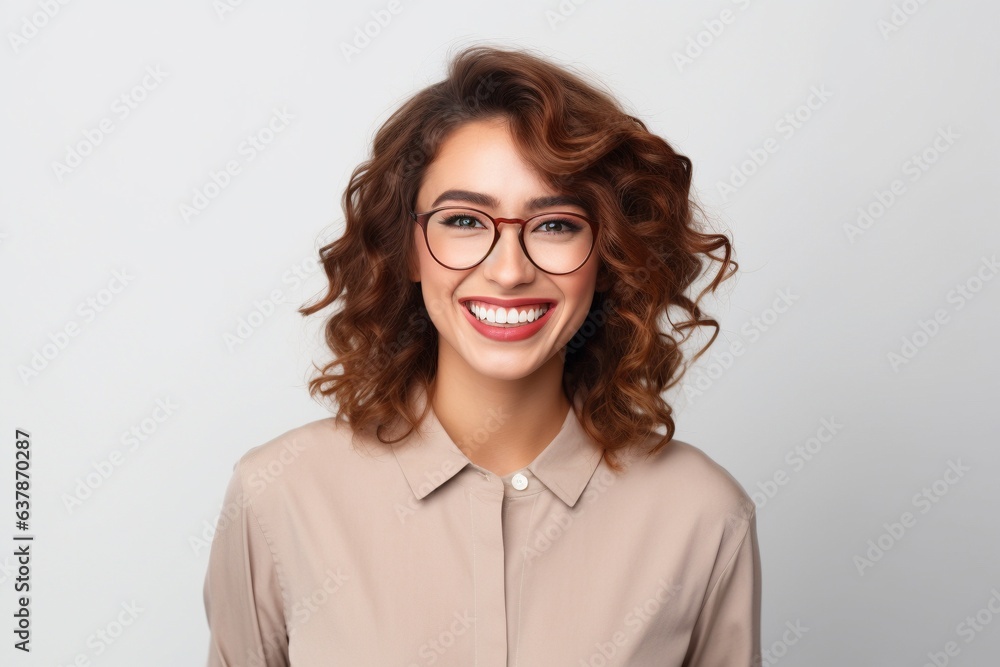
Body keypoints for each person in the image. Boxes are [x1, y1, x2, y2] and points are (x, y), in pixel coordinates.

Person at [202, 43, 761, 666]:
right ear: (407, 248)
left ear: (608, 257)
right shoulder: (280, 494)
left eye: (555, 225)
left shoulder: (703, 514)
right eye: (465, 220)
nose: (508, 271)